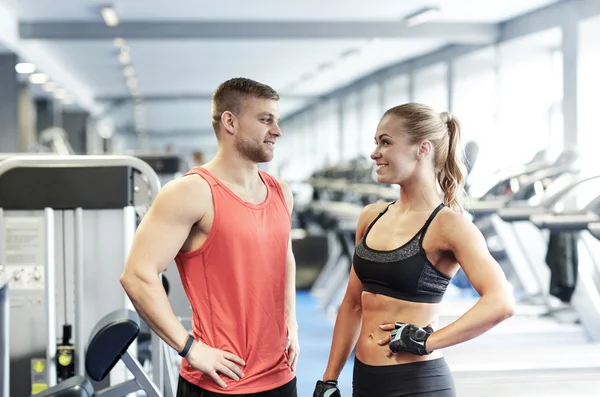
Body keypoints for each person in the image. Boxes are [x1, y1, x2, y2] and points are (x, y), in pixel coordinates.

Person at [313, 103, 515, 397]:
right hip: (366, 381)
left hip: (417, 383)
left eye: (386, 142)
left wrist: (427, 340)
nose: (375, 153)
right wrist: (329, 379)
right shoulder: (371, 216)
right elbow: (353, 304)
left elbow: (501, 302)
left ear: (422, 149)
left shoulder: (450, 226)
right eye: (376, 142)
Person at [120, 77, 300, 397]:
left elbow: (284, 257)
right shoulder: (191, 192)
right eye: (265, 120)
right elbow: (137, 275)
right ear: (230, 121)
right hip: (220, 381)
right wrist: (189, 348)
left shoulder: (280, 192)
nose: (277, 131)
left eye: (277, 120)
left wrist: (292, 325)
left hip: (281, 377)